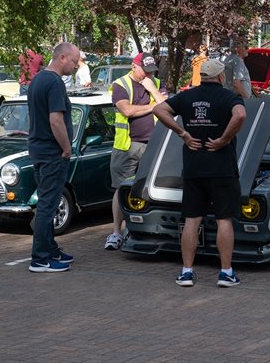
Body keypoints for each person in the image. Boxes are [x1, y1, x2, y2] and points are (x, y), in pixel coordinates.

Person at [152, 59, 247, 287]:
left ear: (202, 76)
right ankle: (226, 273)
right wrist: (224, 139)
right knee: (224, 219)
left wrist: (182, 133)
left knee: (192, 219)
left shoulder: (187, 96)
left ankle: (186, 272)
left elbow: (159, 109)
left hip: (194, 167)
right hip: (222, 168)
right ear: (221, 77)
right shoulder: (228, 97)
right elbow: (241, 115)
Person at [104, 52, 167, 250]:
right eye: (145, 71)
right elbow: (127, 111)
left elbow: (167, 107)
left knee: (151, 189)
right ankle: (116, 231)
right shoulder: (121, 84)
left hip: (153, 145)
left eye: (151, 71)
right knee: (122, 189)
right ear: (134, 66)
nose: (148, 75)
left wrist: (153, 91)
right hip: (127, 146)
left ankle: (145, 229)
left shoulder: (154, 82)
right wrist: (153, 105)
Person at [26, 42, 80, 273]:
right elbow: (55, 120)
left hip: (38, 150)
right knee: (48, 206)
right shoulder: (55, 82)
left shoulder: (37, 79)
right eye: (74, 62)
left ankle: (50, 248)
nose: (76, 66)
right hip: (52, 152)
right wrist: (67, 148)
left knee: (46, 202)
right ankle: (40, 258)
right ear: (62, 57)